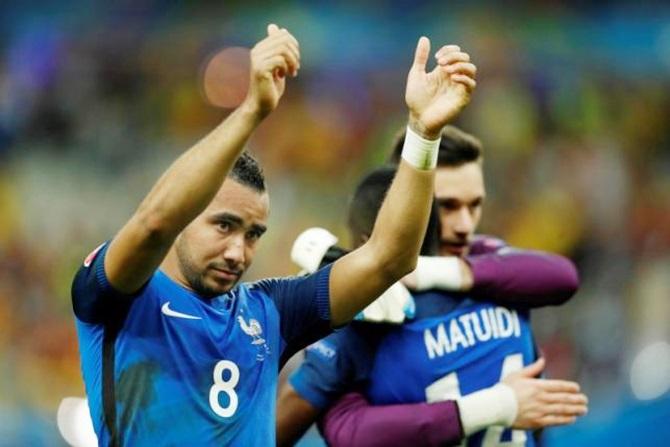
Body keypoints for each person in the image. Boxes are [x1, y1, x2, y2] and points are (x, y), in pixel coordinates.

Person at [70, 22, 478, 446]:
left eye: (253, 235)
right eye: (224, 225)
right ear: (186, 215)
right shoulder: (121, 296)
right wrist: (251, 110)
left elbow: (389, 258)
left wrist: (424, 133)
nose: (237, 251)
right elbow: (154, 223)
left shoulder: (270, 312)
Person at [276, 127, 587, 447]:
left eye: (474, 205)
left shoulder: (490, 268)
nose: (465, 226)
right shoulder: (502, 278)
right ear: (401, 203)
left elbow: (342, 434)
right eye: (447, 207)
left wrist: (413, 272)